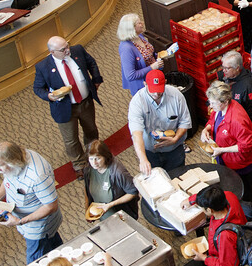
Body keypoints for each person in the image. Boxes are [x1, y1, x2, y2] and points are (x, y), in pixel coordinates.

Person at [33, 36, 102, 174]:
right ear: (52, 52)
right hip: (65, 108)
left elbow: (91, 63)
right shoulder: (43, 67)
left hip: (85, 102)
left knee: (91, 130)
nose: (67, 50)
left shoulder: (78, 51)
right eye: (62, 49)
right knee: (71, 139)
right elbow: (38, 88)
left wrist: (96, 79)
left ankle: (94, 155)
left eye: (67, 46)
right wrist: (49, 96)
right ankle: (79, 165)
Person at [0, 141, 62, 263]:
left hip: (38, 227)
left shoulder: (38, 176)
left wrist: (20, 222)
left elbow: (51, 206)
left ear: (12, 163)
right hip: (27, 222)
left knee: (34, 264)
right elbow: (8, 181)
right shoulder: (16, 161)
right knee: (55, 248)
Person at [203, 81, 252, 197]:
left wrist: (222, 150)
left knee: (244, 189)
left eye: (213, 103)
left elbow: (247, 145)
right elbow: (213, 119)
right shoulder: (220, 109)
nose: (210, 105)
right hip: (225, 158)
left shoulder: (237, 120)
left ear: (224, 101)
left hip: (239, 163)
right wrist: (206, 129)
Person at [127, 69, 191, 175]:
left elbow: (185, 122)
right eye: (152, 89)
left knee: (177, 178)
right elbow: (136, 133)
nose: (156, 93)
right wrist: (143, 159)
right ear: (145, 84)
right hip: (150, 152)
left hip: (174, 150)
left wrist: (175, 139)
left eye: (159, 89)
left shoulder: (176, 96)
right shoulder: (137, 102)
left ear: (165, 82)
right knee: (156, 183)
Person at [83, 139, 139, 220]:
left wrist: (110, 205)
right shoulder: (88, 169)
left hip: (120, 215)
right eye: (91, 159)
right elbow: (86, 188)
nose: (94, 163)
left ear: (105, 157)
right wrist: (87, 209)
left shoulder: (118, 172)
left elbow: (133, 192)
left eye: (97, 158)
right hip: (102, 215)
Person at [116, 13, 163, 96]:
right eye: (139, 23)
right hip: (143, 86)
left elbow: (148, 53)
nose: (142, 24)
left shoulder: (139, 36)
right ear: (132, 28)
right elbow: (130, 75)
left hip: (153, 78)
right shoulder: (126, 48)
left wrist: (159, 56)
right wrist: (152, 67)